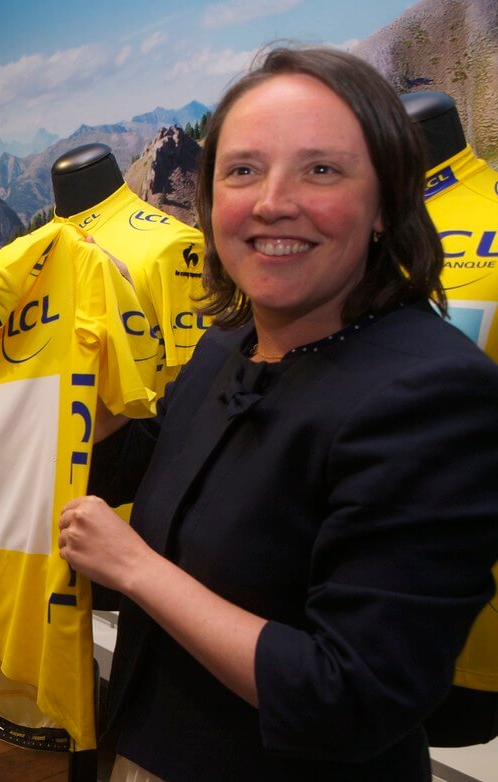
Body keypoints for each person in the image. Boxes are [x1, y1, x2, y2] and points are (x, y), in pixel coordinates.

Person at [57, 48, 498, 781]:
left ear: (386, 202)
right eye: (243, 170)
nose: (271, 201)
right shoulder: (226, 344)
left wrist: (135, 569)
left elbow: (350, 696)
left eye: (321, 169)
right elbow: (158, 461)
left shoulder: (436, 395)